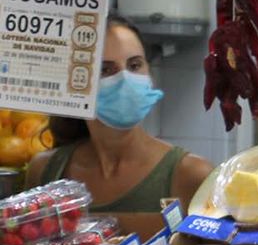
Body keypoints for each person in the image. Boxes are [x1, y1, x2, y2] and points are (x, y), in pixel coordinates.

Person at [27, 16, 211, 213]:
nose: (125, 79)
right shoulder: (46, 171)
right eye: (105, 70)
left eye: (134, 65)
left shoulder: (190, 174)